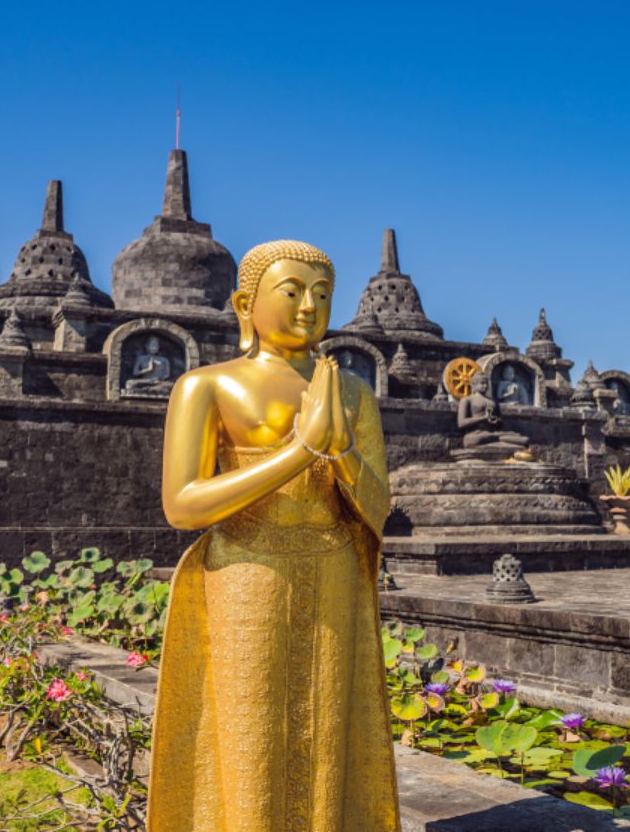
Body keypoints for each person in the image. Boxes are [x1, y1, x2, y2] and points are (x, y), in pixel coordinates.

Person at [149, 240, 400, 832]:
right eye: (291, 292)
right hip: (247, 575)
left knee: (329, 733)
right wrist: (300, 452)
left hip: (334, 569)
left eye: (321, 294)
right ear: (245, 303)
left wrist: (339, 452)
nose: (309, 307)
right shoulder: (206, 386)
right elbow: (182, 505)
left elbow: (380, 506)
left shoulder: (352, 392)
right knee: (250, 738)